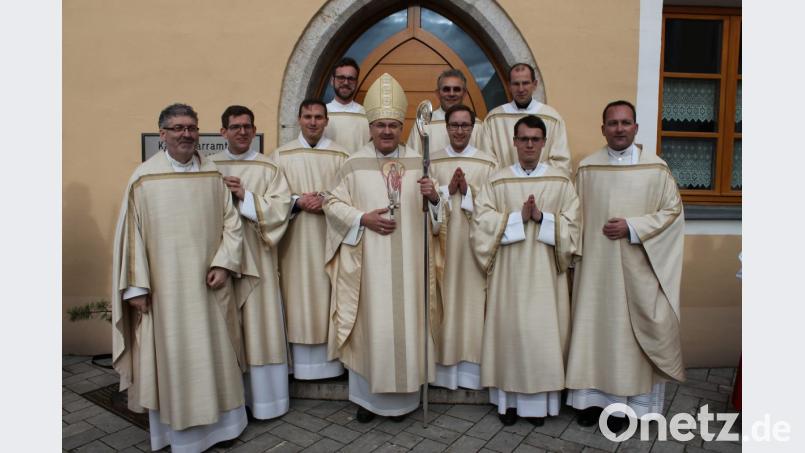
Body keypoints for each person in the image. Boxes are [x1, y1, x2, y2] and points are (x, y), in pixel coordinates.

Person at [111, 103, 257, 452]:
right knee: (175, 357)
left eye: (191, 127)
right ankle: (180, 437)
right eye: (177, 128)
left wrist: (224, 264)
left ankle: (224, 429)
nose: (186, 134)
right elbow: (131, 235)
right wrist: (135, 287)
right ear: (162, 135)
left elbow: (232, 225)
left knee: (217, 355)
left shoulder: (212, 176)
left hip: (210, 289)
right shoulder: (144, 178)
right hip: (166, 295)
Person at [322, 73, 444, 422]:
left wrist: (433, 197)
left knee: (406, 328)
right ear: (370, 126)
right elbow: (332, 204)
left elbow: (439, 218)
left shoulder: (418, 164)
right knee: (371, 329)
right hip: (369, 268)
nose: (387, 131)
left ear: (401, 126)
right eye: (380, 125)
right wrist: (363, 219)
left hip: (410, 271)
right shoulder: (353, 163)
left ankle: (406, 402)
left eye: (393, 125)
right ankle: (368, 402)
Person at [565, 100, 686, 432]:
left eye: (625, 122)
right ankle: (590, 402)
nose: (619, 128)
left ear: (636, 127)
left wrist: (633, 228)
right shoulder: (587, 169)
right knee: (594, 332)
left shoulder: (655, 169)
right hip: (595, 271)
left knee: (629, 339)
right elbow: (574, 217)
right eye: (612, 123)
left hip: (638, 270)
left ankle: (631, 408)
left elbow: (672, 212)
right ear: (602, 128)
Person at [471, 115, 580, 426]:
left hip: (547, 276)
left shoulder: (560, 181)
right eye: (523, 139)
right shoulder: (498, 180)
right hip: (508, 275)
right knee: (511, 334)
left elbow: (574, 227)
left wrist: (544, 218)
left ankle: (539, 407)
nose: (529, 144)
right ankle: (508, 404)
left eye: (535, 138)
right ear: (514, 142)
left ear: (544, 142)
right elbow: (481, 222)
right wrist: (518, 218)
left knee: (541, 335)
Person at [212, 105, 293, 419]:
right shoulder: (209, 166)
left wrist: (245, 196)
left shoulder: (269, 168)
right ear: (223, 132)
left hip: (258, 258)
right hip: (221, 262)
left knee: (262, 328)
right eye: (235, 127)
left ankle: (265, 403)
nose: (242, 132)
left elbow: (281, 209)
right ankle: (231, 405)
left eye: (247, 126)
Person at [270, 99, 350, 380]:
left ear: (327, 121)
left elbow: (349, 193)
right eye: (307, 117)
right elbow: (273, 198)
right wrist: (296, 201)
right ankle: (299, 366)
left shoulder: (341, 156)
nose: (313, 122)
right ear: (299, 119)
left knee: (329, 294)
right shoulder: (281, 156)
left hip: (330, 238)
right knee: (297, 296)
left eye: (318, 117)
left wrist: (326, 200)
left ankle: (334, 363)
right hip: (295, 240)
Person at [426, 104, 497, 391]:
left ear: (473, 128)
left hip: (473, 249)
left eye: (465, 125)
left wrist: (468, 192)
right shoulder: (431, 161)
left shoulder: (488, 163)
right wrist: (443, 192)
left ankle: (471, 372)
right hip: (440, 248)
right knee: (443, 301)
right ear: (446, 128)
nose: (459, 131)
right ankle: (441, 371)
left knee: (471, 305)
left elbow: (495, 208)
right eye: (454, 125)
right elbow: (423, 201)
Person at [481, 63, 570, 173]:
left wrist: (531, 176)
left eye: (525, 83)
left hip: (541, 186)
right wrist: (512, 177)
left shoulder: (552, 118)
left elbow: (561, 162)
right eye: (516, 84)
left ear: (535, 84)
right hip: (505, 186)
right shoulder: (493, 119)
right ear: (509, 86)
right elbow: (486, 163)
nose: (521, 89)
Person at [405, 68, 483, 154]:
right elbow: (412, 161)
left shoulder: (478, 126)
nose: (451, 94)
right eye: (446, 89)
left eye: (456, 89)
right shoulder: (423, 124)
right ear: (438, 93)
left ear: (464, 94)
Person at [324, 57, 370, 153]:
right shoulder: (321, 115)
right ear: (332, 80)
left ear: (356, 82)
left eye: (351, 79)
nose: (346, 82)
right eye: (341, 78)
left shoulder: (367, 115)